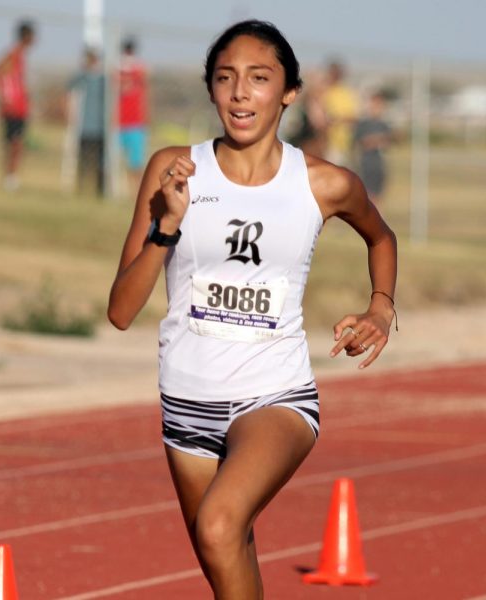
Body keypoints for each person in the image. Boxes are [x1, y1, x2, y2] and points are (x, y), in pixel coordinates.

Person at [107, 20, 397, 598]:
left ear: (289, 91)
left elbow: (381, 238)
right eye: (226, 78)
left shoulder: (324, 183)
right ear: (212, 89)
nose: (240, 93)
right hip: (186, 402)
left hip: (275, 394)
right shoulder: (173, 168)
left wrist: (381, 309)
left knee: (218, 528)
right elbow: (120, 310)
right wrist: (167, 226)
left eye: (259, 78)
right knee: (228, 560)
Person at [0, 20, 36, 192]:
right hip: (13, 108)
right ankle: (10, 178)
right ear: (27, 37)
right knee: (14, 144)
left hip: (20, 107)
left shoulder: (20, 56)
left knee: (16, 143)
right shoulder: (13, 55)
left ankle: (11, 177)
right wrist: (3, 96)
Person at [68, 47, 106, 196]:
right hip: (85, 127)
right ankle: (81, 188)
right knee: (83, 160)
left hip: (101, 127)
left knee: (101, 162)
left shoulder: (104, 78)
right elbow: (70, 86)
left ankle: (100, 190)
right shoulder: (82, 76)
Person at [118, 37, 149, 192]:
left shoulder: (139, 70)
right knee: (114, 161)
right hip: (117, 123)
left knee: (136, 163)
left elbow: (146, 93)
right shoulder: (115, 69)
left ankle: (136, 191)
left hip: (135, 123)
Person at [353, 91, 393, 203]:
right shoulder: (363, 124)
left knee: (379, 197)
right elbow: (363, 142)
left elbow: (388, 141)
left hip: (380, 165)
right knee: (368, 197)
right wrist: (378, 139)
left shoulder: (384, 124)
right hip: (367, 165)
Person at [321, 59, 359, 166]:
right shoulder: (324, 90)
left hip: (341, 144)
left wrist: (335, 119)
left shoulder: (345, 92)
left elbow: (353, 117)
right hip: (324, 143)